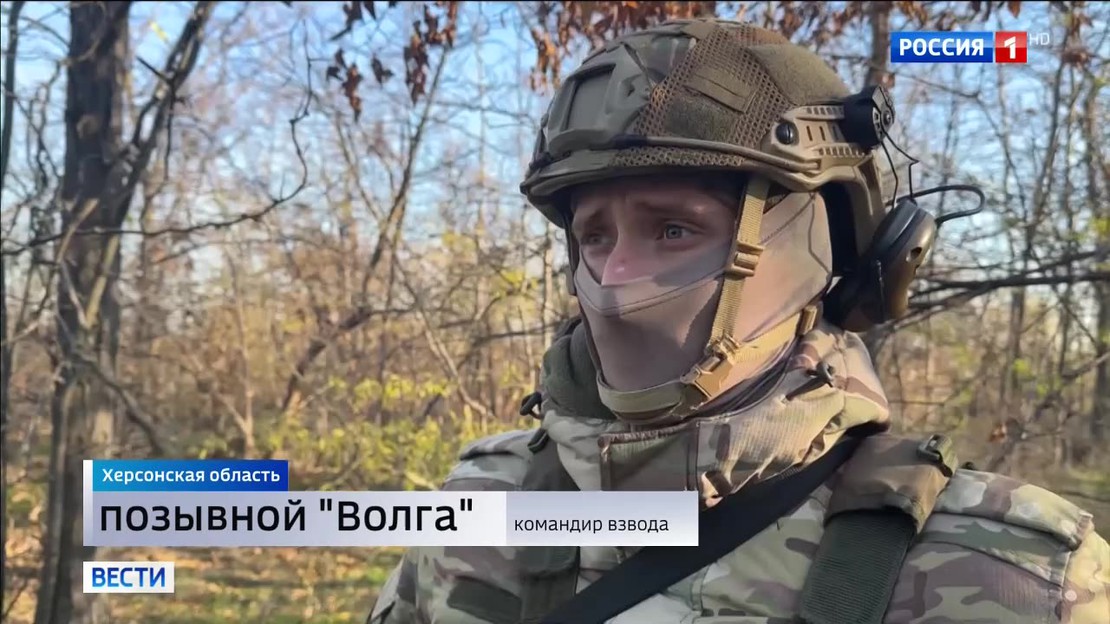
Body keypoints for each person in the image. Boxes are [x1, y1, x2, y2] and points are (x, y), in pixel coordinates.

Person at [366, 18, 1109, 624]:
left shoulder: (1019, 578)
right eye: (595, 237)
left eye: (673, 230)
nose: (615, 278)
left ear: (823, 249)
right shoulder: (482, 505)